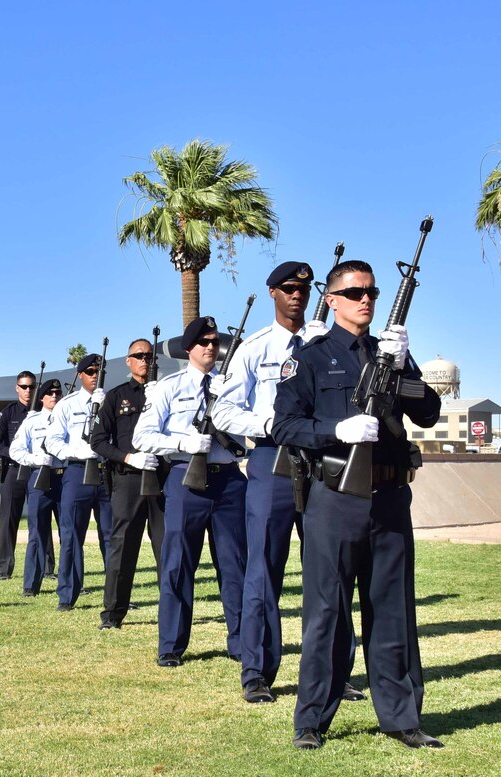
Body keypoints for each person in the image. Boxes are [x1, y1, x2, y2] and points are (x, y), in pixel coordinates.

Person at [271, 260, 443, 750]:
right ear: (331, 300)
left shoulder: (391, 354)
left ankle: (402, 718)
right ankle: (311, 720)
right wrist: (335, 431)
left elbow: (428, 414)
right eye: (354, 293)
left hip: (390, 497)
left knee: (392, 610)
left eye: (371, 291)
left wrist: (407, 366)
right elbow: (283, 426)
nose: (365, 299)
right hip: (334, 497)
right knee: (325, 611)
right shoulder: (309, 357)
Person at [211, 262, 366, 705]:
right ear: (272, 294)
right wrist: (272, 423)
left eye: (302, 288)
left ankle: (336, 670)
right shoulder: (254, 348)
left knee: (331, 571)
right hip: (273, 459)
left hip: (324, 459)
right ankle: (257, 670)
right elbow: (223, 411)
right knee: (263, 565)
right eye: (287, 288)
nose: (296, 295)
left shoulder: (327, 345)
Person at [132, 317, 247, 667]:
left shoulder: (231, 385)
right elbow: (142, 437)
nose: (210, 348)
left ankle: (242, 643)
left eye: (214, 342)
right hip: (185, 480)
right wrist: (183, 440)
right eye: (203, 343)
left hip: (228, 481)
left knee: (235, 566)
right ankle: (171, 645)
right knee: (178, 565)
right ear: (188, 349)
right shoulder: (169, 387)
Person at [90, 338, 164, 630]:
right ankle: (112, 614)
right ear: (128, 361)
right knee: (122, 547)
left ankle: (170, 613)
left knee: (166, 546)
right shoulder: (116, 396)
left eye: (149, 355)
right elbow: (97, 441)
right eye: (139, 355)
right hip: (128, 479)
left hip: (161, 477)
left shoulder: (165, 392)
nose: (145, 360)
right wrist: (128, 458)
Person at [43, 354, 113, 611]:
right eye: (91, 371)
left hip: (107, 473)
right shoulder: (67, 404)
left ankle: (115, 596)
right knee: (72, 535)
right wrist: (76, 451)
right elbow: (51, 441)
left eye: (99, 371)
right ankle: (67, 594)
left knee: (113, 537)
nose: (95, 375)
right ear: (81, 374)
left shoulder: (111, 401)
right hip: (78, 471)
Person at [0, 370, 54, 580]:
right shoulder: (7, 414)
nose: (28, 391)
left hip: (38, 472)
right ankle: (5, 570)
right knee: (8, 521)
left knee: (41, 518)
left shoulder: (45, 413)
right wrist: (16, 455)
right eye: (24, 387)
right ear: (17, 388)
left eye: (32, 386)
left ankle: (47, 569)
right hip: (14, 471)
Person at [9, 378, 65, 596]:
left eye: (58, 393)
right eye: (50, 393)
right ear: (41, 398)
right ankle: (31, 584)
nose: (54, 396)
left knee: (68, 533)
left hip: (63, 478)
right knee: (37, 533)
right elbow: (15, 450)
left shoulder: (67, 418)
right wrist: (35, 458)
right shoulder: (31, 422)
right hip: (39, 479)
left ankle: (69, 582)